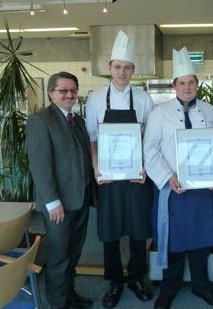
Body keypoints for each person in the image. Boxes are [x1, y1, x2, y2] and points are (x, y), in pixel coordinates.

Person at [144, 47, 213, 309]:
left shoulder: (210, 111)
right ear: (174, 85)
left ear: (197, 84)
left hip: (203, 190)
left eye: (191, 82)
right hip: (173, 188)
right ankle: (169, 289)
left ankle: (202, 286)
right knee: (173, 241)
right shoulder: (160, 113)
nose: (187, 87)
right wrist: (167, 177)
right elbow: (150, 150)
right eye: (182, 83)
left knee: (203, 240)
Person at [85, 31, 154, 308]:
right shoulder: (96, 99)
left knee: (139, 231)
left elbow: (151, 138)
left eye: (127, 67)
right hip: (109, 177)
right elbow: (91, 138)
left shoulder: (144, 99)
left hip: (137, 176)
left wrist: (146, 168)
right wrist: (96, 168)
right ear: (109, 68)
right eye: (117, 67)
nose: (122, 72)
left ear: (133, 70)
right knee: (110, 232)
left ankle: (137, 277)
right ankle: (115, 280)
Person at [26, 71, 94, 309]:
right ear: (51, 93)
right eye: (63, 91)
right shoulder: (41, 120)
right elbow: (40, 166)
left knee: (73, 253)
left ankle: (69, 295)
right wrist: (53, 201)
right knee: (58, 257)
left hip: (80, 199)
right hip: (58, 205)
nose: (69, 95)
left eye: (73, 90)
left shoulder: (77, 120)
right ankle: (57, 303)